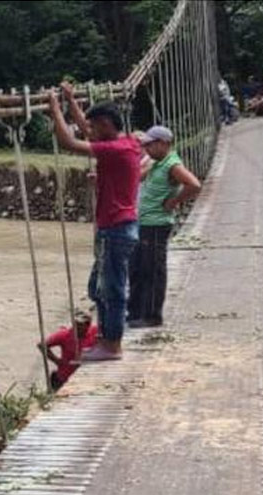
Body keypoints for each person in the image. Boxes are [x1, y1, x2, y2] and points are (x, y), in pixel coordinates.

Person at [50, 82, 141, 361]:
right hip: (116, 228)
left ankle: (112, 346)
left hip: (115, 229)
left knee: (111, 289)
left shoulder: (115, 150)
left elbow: (69, 142)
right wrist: (71, 101)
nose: (89, 132)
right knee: (98, 288)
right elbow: (88, 130)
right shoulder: (126, 142)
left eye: (94, 126)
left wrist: (54, 107)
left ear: (104, 124)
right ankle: (106, 339)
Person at [127, 126, 201, 328]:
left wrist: (173, 202)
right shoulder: (158, 163)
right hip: (145, 224)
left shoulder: (172, 165)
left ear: (164, 144)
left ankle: (152, 316)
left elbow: (194, 185)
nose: (147, 149)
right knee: (138, 268)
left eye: (150, 145)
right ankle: (136, 311)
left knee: (153, 270)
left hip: (156, 225)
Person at [38, 309, 98, 390]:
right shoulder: (65, 334)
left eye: (81, 324)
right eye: (76, 323)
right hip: (64, 377)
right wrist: (57, 361)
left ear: (88, 324)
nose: (78, 326)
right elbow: (42, 345)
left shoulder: (95, 331)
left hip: (86, 377)